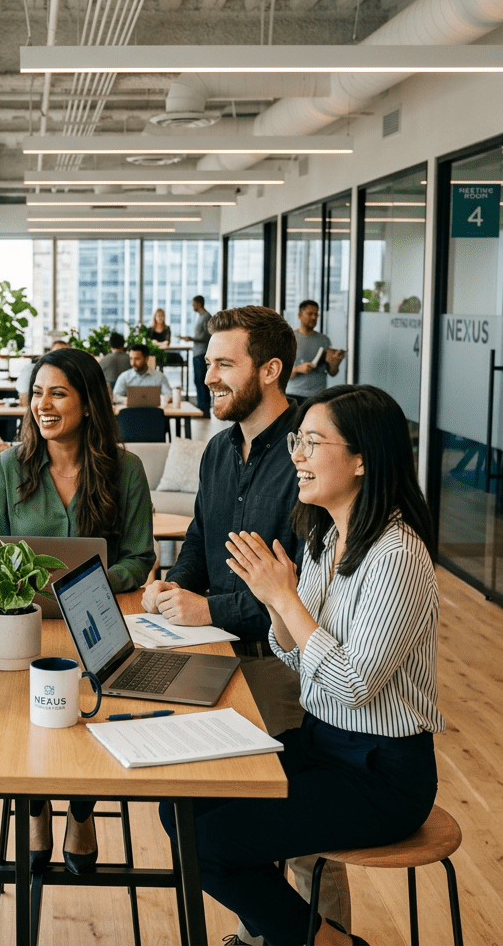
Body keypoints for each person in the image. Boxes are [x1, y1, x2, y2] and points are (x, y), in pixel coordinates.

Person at [159, 384, 443, 946]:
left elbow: (355, 682)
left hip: (381, 774)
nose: (298, 456)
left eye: (313, 442)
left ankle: (322, 942)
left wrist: (283, 599)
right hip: (319, 742)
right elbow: (292, 653)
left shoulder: (398, 553)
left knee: (209, 845)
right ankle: (293, 933)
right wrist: (275, 600)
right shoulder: (324, 536)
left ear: (362, 458)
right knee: (179, 808)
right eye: (298, 441)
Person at [141, 305, 351, 943]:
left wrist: (208, 610)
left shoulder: (307, 460)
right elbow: (202, 543)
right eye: (207, 364)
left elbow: (298, 589)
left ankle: (325, 934)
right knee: (218, 809)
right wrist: (172, 589)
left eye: (223, 364)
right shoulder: (217, 450)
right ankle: (268, 930)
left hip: (283, 661)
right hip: (212, 658)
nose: (209, 377)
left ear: (271, 370)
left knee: (301, 833)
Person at [0, 347, 155, 877]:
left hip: (97, 624)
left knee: (84, 719)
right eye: (37, 392)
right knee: (25, 722)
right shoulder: (9, 468)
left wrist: (93, 580)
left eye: (58, 392)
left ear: (88, 402)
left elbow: (141, 558)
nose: (43, 404)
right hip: (21, 627)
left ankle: (81, 811)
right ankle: (36, 809)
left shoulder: (125, 469)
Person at [286, 299, 345, 404]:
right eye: (310, 314)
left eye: (316, 314)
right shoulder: (289, 338)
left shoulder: (324, 340)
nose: (314, 317)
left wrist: (334, 363)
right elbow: (281, 373)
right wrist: (298, 369)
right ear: (299, 315)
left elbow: (332, 372)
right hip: (294, 395)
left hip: (319, 396)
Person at [180, 294, 212, 418]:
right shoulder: (200, 317)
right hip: (197, 352)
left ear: (198, 304)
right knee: (197, 381)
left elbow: (208, 336)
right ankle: (200, 409)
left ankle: (205, 410)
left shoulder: (206, 317)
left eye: (193, 304)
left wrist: (191, 339)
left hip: (202, 353)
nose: (193, 306)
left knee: (202, 382)